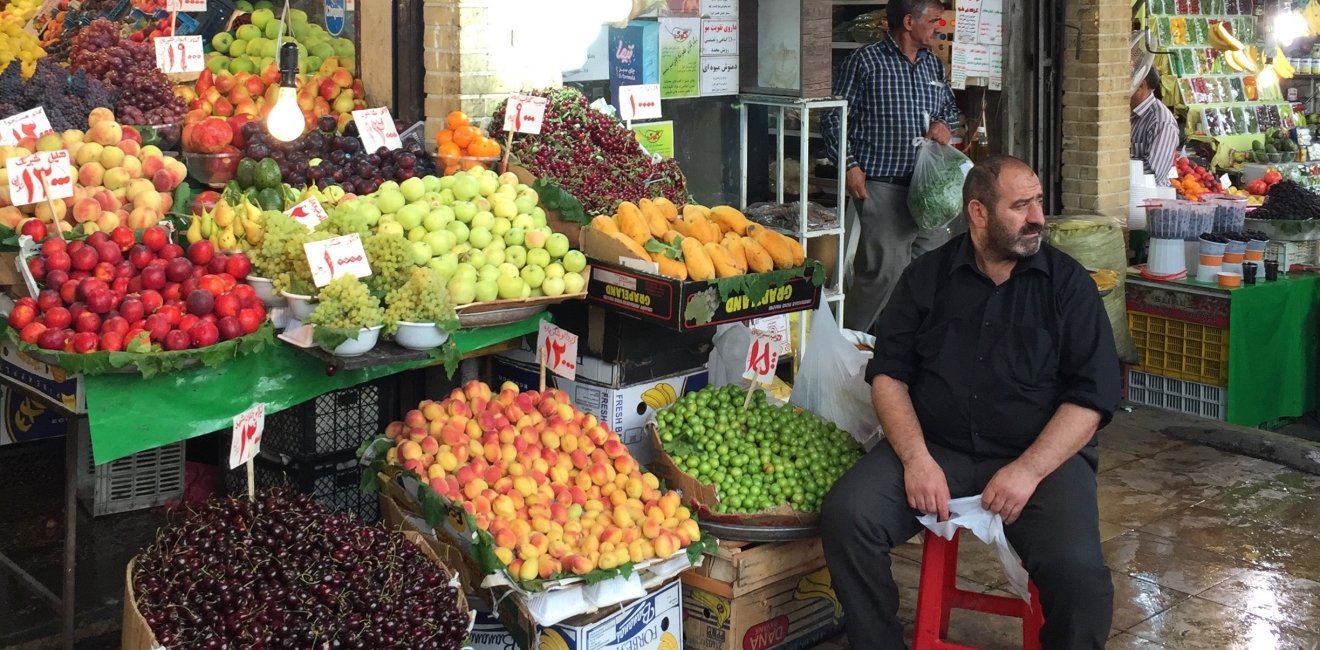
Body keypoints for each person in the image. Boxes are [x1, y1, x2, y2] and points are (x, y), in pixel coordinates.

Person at [820, 155, 1120, 649]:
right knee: (848, 516)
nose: (1038, 218)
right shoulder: (927, 277)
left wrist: (1028, 471)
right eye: (1020, 206)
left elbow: (1090, 400)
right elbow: (889, 376)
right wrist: (916, 460)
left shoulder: (1068, 285)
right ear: (978, 213)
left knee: (1080, 576)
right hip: (939, 448)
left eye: (1038, 202)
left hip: (1040, 459)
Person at [822, 0, 961, 334]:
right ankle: (847, 342)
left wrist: (945, 124)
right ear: (909, 22)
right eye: (934, 20)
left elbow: (950, 109)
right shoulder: (865, 61)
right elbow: (834, 117)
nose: (939, 27)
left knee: (928, 272)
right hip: (883, 185)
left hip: (927, 190)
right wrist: (849, 165)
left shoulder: (933, 65)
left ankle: (901, 344)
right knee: (883, 274)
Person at [1131, 67, 1179, 187]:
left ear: (1141, 85)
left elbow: (1154, 171)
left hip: (1146, 194)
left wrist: (1115, 168)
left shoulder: (1161, 122)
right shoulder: (1127, 112)